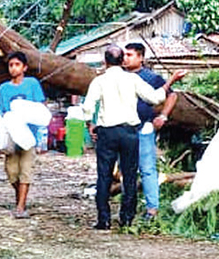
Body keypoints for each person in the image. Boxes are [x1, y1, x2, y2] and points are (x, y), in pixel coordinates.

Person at [78, 44, 185, 230]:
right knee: (129, 175)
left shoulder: (99, 81)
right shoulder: (133, 79)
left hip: (107, 132)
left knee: (104, 176)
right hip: (129, 132)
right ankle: (126, 218)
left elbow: (87, 107)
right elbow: (155, 98)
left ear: (105, 61)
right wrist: (171, 81)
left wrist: (90, 125)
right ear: (122, 61)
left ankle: (103, 220)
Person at [124, 42, 180, 221]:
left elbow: (172, 95)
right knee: (126, 170)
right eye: (124, 55)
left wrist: (163, 116)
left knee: (147, 170)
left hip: (144, 129)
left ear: (141, 57)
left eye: (130, 55)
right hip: (123, 129)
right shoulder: (119, 76)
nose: (126, 58)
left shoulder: (151, 77)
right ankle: (127, 210)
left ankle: (152, 209)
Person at [0, 52, 46, 218]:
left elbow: (40, 107)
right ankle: (20, 198)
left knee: (26, 170)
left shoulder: (32, 84)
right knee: (11, 172)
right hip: (11, 136)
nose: (13, 68)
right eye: (11, 65)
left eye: (17, 64)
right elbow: (3, 112)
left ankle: (21, 207)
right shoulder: (4, 88)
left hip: (29, 136)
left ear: (24, 67)